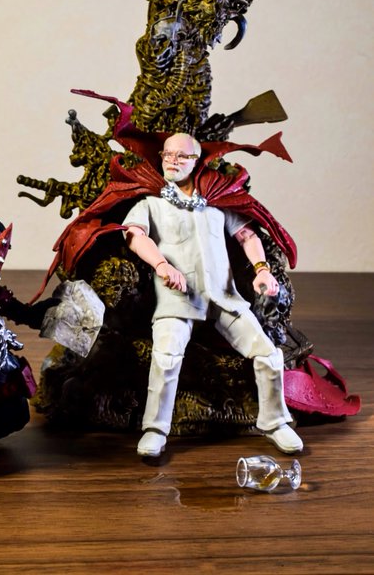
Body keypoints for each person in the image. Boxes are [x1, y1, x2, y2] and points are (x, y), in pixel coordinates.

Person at [122, 133, 304, 457]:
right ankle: (155, 429)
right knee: (165, 357)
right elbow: (134, 235)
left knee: (268, 354)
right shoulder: (151, 205)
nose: (172, 161)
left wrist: (262, 269)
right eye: (167, 154)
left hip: (224, 298)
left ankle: (275, 422)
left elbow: (248, 236)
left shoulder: (217, 206)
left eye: (181, 156)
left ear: (196, 161)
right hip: (177, 299)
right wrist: (161, 264)